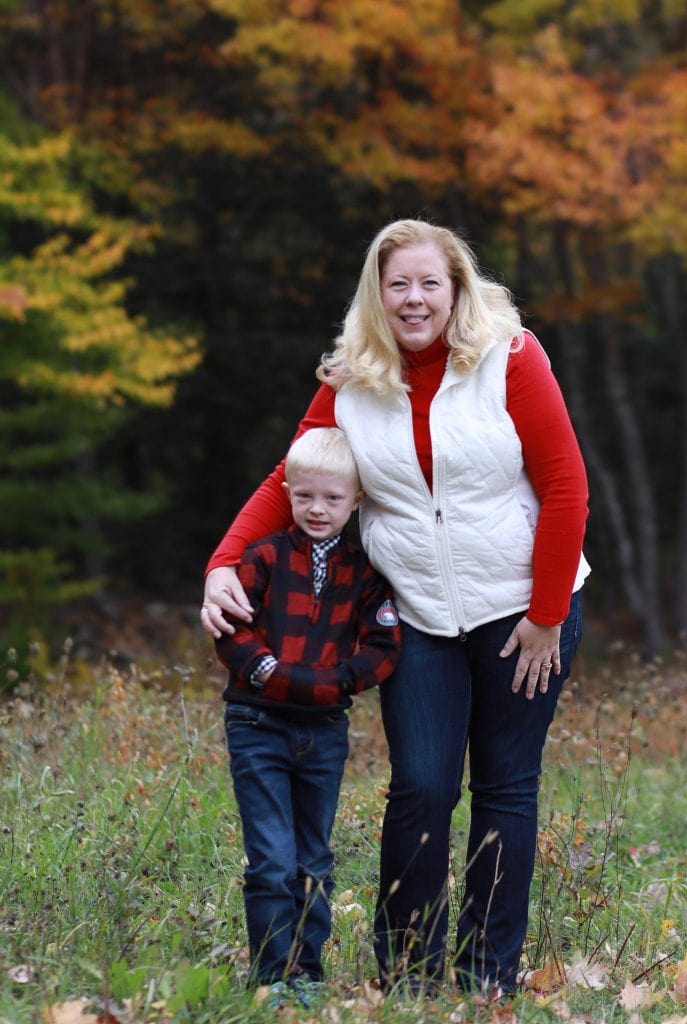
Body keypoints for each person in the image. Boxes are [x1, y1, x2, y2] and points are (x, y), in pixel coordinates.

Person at [202, 219, 589, 998]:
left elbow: (564, 487)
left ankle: (487, 980)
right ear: (376, 296)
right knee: (421, 784)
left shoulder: (511, 357)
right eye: (397, 285)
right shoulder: (354, 377)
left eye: (429, 284)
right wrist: (221, 565)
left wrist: (545, 613)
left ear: (457, 289)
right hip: (412, 613)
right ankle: (408, 976)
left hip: (523, 613)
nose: (413, 299)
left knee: (506, 788)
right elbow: (291, 479)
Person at [212, 427, 401, 1000]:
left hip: (322, 730)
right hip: (257, 723)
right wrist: (272, 673)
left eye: (332, 499)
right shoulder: (263, 558)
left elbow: (381, 649)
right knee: (272, 858)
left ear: (357, 500)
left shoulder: (366, 574)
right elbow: (233, 633)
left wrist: (334, 681)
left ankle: (307, 974)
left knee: (313, 856)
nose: (317, 509)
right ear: (289, 493)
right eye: (304, 497)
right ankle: (271, 977)